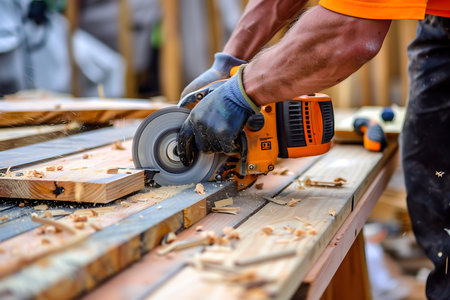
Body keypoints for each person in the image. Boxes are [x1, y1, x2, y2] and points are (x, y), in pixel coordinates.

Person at [176, 1, 450, 299]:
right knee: (432, 184)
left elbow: (352, 35)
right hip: (439, 22)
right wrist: (228, 62)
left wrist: (242, 91)